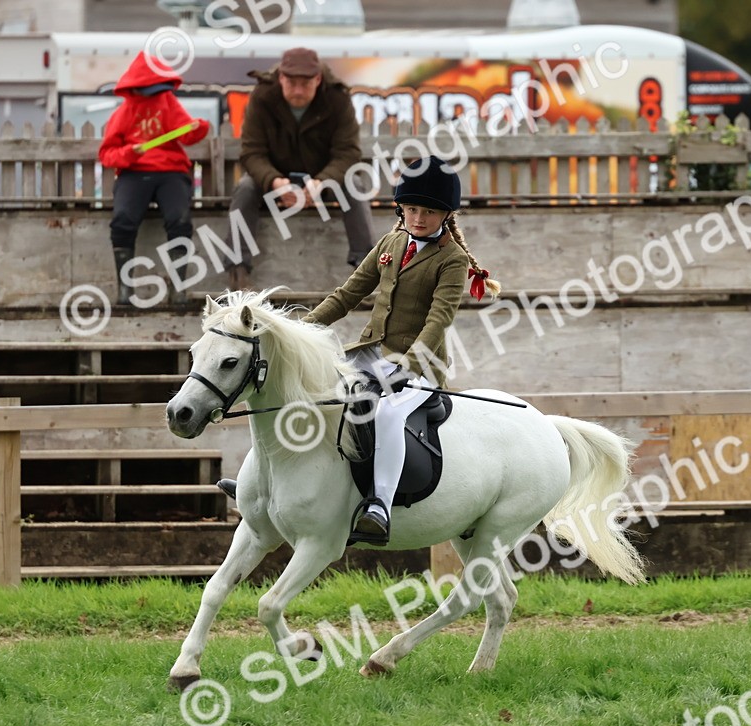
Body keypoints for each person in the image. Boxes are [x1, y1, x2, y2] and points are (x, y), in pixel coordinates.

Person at [301, 156, 498, 546]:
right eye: (411, 209)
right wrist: (300, 331)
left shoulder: (452, 260)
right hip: (370, 352)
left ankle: (380, 506)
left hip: (421, 364)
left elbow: (438, 321)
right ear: (400, 208)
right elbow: (347, 295)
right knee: (310, 386)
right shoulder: (390, 243)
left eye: (428, 211)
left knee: (388, 411)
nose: (419, 218)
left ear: (445, 214)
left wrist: (408, 366)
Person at [228, 47, 375, 291]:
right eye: (291, 83)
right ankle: (238, 273)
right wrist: (275, 181)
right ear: (281, 78)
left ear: (318, 79)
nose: (297, 90)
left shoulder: (337, 98)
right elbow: (252, 152)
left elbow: (348, 152)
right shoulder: (263, 96)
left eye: (305, 84)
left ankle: (366, 271)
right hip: (273, 181)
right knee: (244, 188)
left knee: (355, 186)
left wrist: (321, 183)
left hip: (323, 181)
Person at [99, 51, 210, 305]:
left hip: (171, 171)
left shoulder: (168, 101)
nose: (157, 94)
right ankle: (125, 292)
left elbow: (187, 136)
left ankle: (178, 289)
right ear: (137, 88)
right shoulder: (123, 113)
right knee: (122, 221)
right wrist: (129, 152)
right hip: (134, 172)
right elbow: (107, 154)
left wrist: (198, 127)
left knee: (179, 221)